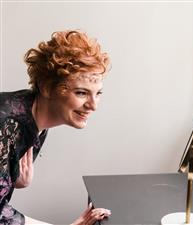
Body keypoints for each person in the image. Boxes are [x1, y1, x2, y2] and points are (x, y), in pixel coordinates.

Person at [0, 30, 111, 225]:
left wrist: (13, 178)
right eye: (81, 93)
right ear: (46, 87)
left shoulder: (36, 115)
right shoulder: (8, 124)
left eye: (98, 93)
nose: (93, 105)